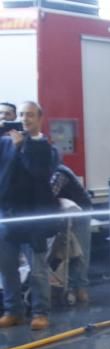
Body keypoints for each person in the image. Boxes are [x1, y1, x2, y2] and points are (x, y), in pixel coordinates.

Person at [0, 101, 61, 330]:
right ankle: (13, 310)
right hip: (7, 215)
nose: (26, 119)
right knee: (7, 268)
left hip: (33, 219)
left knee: (37, 270)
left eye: (30, 115)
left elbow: (38, 173)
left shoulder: (43, 146)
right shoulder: (4, 144)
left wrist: (20, 147)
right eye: (23, 115)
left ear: (39, 119)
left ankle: (40, 312)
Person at [51, 164, 92, 304]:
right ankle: (75, 288)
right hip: (68, 213)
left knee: (80, 252)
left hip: (81, 212)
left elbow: (51, 193)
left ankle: (80, 288)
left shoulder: (59, 173)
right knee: (74, 252)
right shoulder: (58, 170)